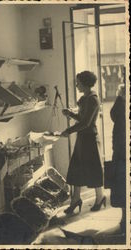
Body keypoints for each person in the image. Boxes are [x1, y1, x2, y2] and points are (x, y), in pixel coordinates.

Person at [61, 71, 105, 214]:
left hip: (90, 138)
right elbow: (81, 118)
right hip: (82, 137)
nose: (76, 84)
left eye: (78, 82)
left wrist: (69, 130)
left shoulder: (93, 99)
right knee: (76, 168)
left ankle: (100, 197)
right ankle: (76, 200)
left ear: (85, 83)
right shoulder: (85, 98)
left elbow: (86, 122)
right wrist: (71, 114)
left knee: (94, 169)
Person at [110, 83, 126, 233]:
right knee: (122, 184)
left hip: (122, 149)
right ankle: (124, 218)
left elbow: (113, 115)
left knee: (122, 184)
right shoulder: (121, 99)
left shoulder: (121, 100)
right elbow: (114, 115)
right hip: (121, 148)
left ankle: (125, 219)